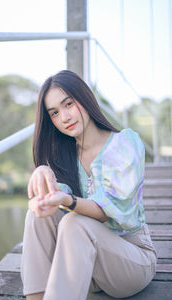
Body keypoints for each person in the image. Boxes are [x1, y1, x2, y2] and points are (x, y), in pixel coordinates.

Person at [20, 70, 157, 300]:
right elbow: (52, 199)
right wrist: (43, 170)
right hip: (86, 264)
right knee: (37, 216)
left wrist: (67, 201)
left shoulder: (124, 144)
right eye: (54, 113)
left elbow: (107, 210)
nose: (64, 117)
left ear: (85, 99)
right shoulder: (64, 155)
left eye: (68, 104)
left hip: (132, 261)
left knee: (74, 222)